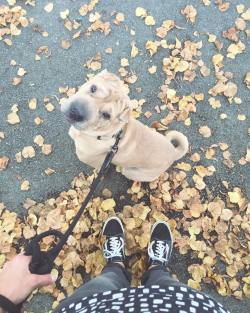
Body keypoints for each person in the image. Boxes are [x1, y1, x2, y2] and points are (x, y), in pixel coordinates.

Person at [0, 217, 230, 313]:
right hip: (178, 307)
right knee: (165, 283)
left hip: (94, 308)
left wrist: (4, 300)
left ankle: (116, 266)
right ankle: (157, 268)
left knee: (105, 283)